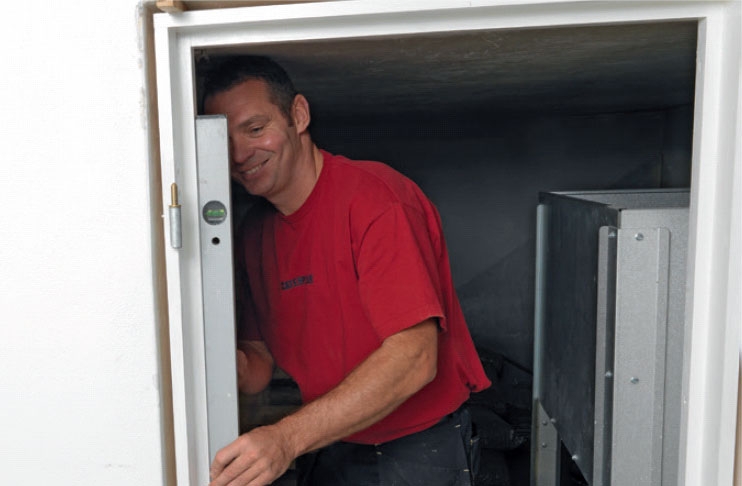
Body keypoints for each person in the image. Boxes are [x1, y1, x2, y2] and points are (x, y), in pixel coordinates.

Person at [201, 55, 491, 486]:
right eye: (224, 141)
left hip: (416, 448)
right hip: (328, 440)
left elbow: (415, 358)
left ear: (299, 115)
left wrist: (284, 439)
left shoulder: (376, 199)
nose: (240, 155)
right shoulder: (254, 234)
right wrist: (206, 359)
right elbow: (258, 362)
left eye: (256, 129)